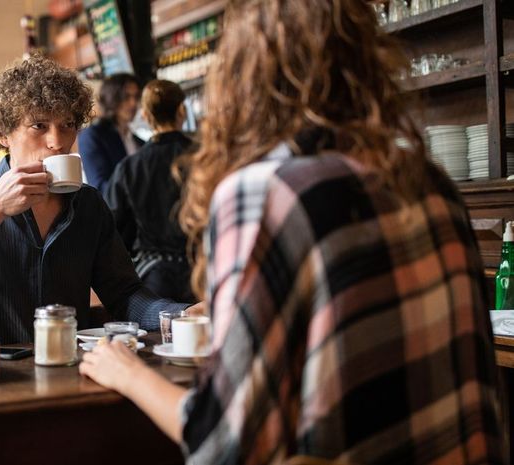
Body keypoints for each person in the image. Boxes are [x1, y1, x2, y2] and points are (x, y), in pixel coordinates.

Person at [79, 1, 505, 464]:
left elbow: (225, 445)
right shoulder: (431, 182)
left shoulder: (265, 193)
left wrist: (127, 374)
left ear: (242, 74)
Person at [0, 56, 192, 343]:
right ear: (3, 133)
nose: (58, 141)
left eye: (67, 125)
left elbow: (125, 296)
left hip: (69, 376)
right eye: (39, 126)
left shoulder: (88, 205)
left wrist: (182, 315)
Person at [104, 79, 195, 302]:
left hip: (153, 277)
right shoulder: (205, 157)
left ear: (145, 115)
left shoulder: (129, 167)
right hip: (201, 271)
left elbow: (113, 227)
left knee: (159, 333)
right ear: (182, 111)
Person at [78, 73, 143, 195]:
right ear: (112, 98)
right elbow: (101, 189)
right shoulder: (92, 136)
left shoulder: (136, 140)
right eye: (126, 97)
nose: (133, 103)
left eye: (136, 97)